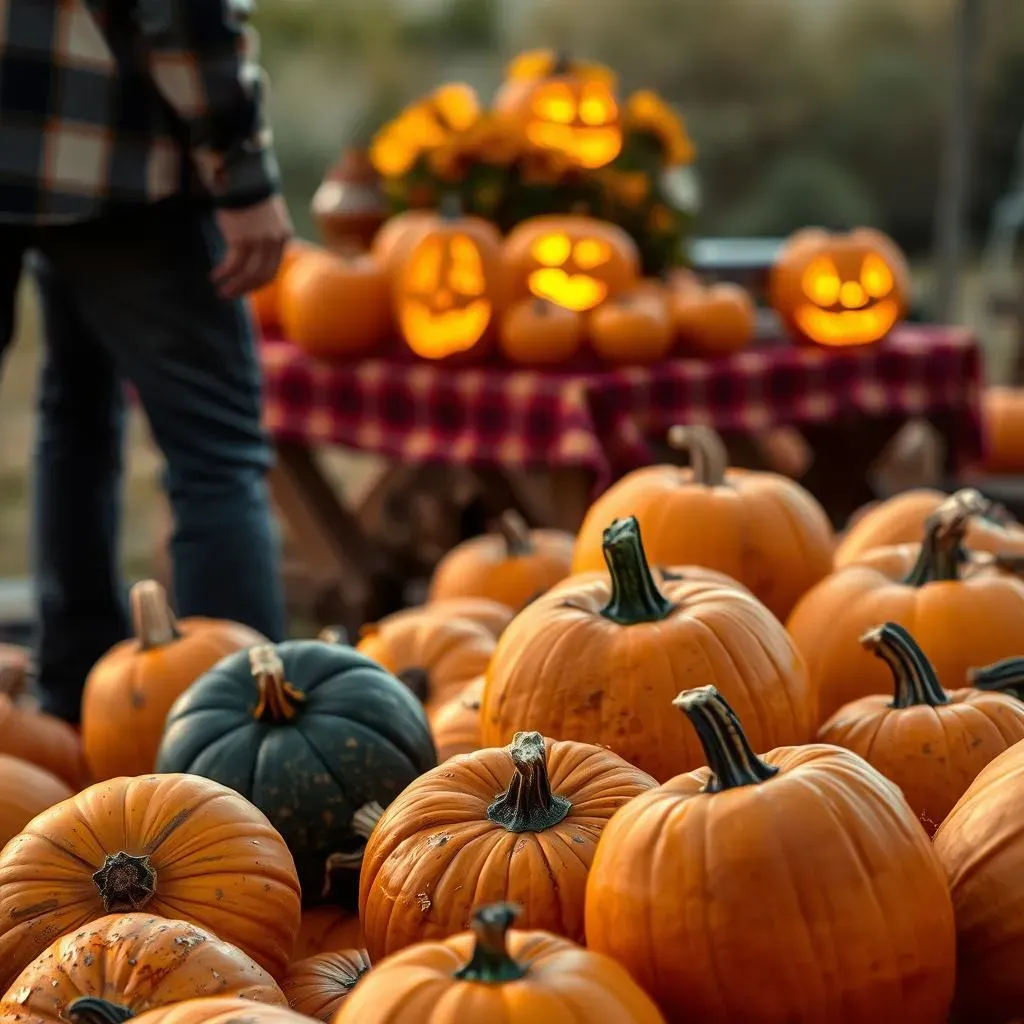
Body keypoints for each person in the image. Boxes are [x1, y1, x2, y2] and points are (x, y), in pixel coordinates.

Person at [0, 0, 292, 722]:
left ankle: (72, 694)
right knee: (215, 454)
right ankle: (247, 738)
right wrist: (240, 167)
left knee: (75, 406)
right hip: (112, 149)